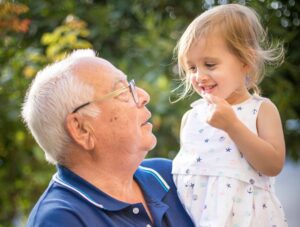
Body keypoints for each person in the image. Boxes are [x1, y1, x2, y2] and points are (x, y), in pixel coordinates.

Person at [22, 49, 194, 227]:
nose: (144, 96)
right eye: (122, 91)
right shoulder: (59, 220)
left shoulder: (170, 175)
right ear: (81, 129)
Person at [171, 4, 287, 227]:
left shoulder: (261, 110)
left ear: (246, 61)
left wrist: (233, 125)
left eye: (210, 64)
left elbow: (273, 165)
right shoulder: (192, 117)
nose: (200, 76)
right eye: (192, 68)